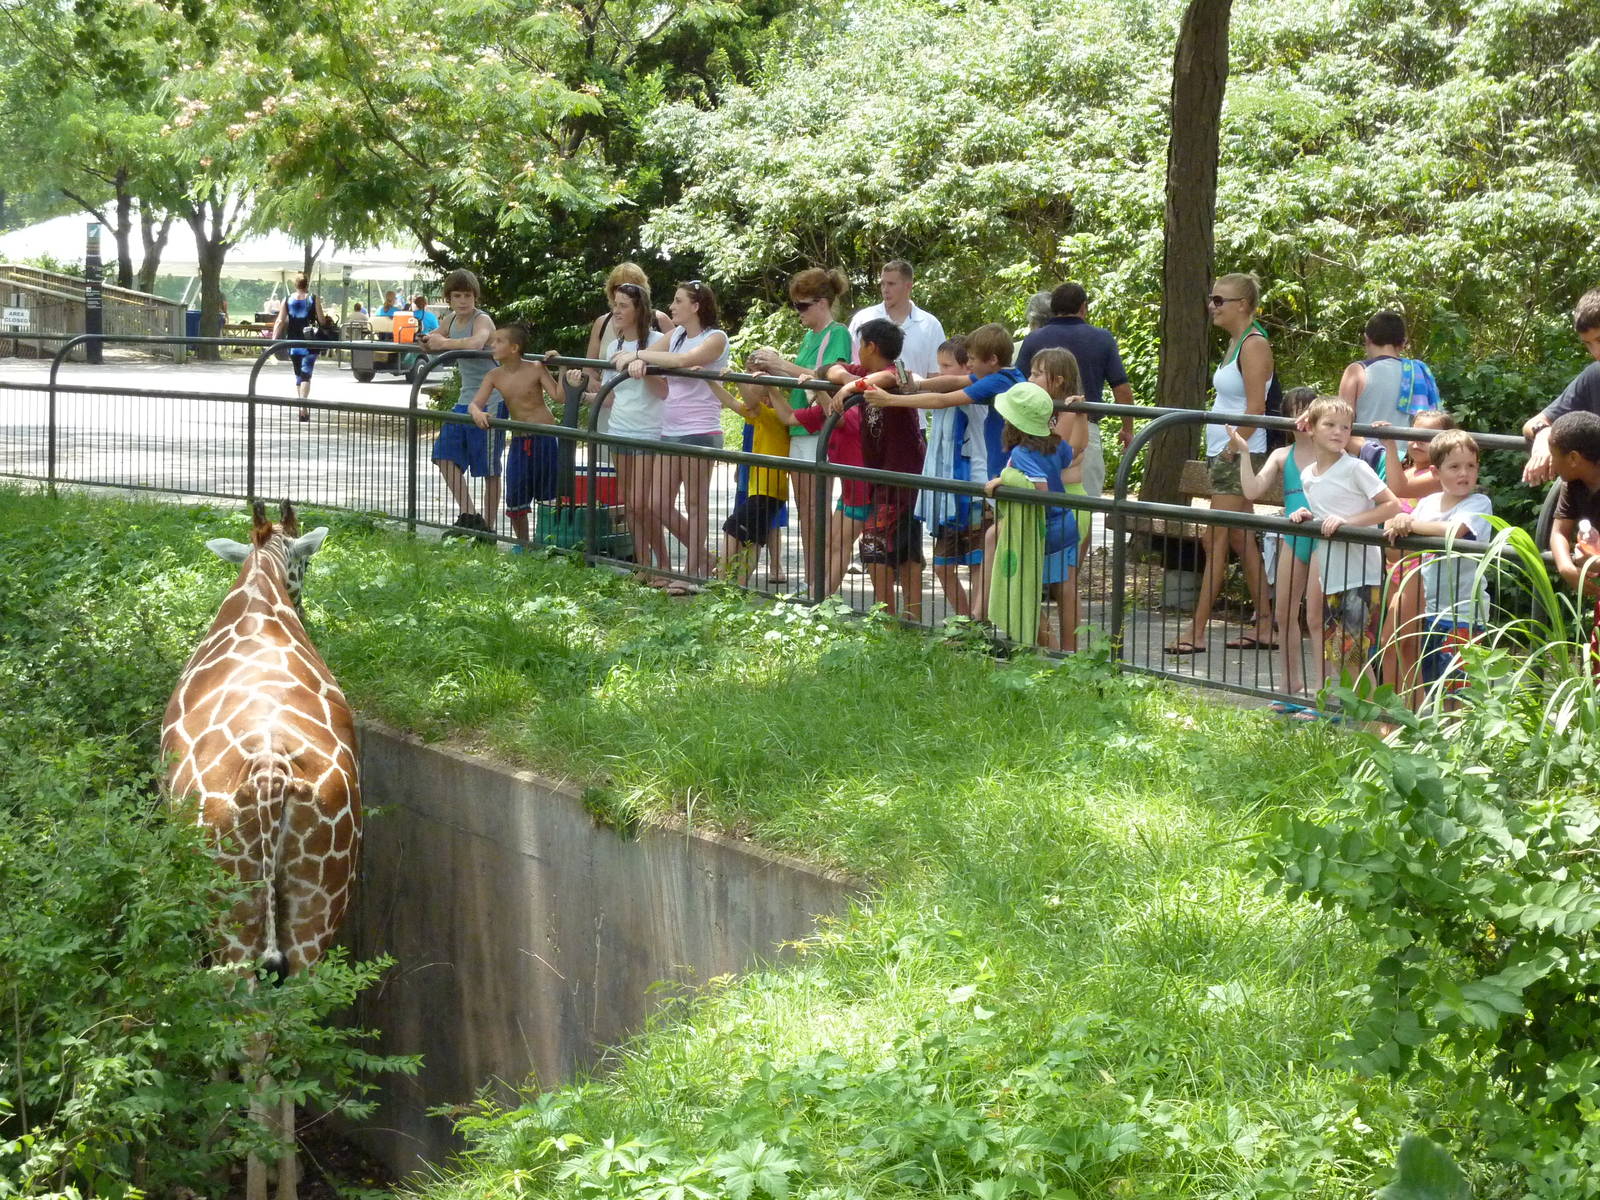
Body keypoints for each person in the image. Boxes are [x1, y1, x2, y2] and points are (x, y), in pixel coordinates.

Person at [1167, 272, 1278, 656]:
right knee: (1237, 536)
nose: (1212, 306)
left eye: (1219, 300)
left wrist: (1234, 449)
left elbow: (1257, 410)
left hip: (1238, 453)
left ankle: (1195, 631)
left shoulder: (1254, 344)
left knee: (1214, 538)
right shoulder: (1235, 343)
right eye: (1211, 299)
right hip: (1225, 451)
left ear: (1243, 305)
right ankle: (1266, 625)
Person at [772, 320, 904, 600]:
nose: (856, 353)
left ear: (872, 347)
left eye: (860, 346)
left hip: (866, 484)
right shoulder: (856, 381)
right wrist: (770, 387)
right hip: (850, 487)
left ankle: (820, 598)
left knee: (844, 543)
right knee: (832, 540)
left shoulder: (888, 378)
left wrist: (830, 390)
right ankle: (819, 594)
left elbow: (845, 419)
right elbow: (791, 414)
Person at [1284, 396, 1403, 706]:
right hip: (1332, 572)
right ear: (1310, 428)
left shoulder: (1356, 468)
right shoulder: (1309, 475)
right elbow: (1323, 510)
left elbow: (1391, 504)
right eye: (1330, 425)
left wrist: (1349, 522)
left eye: (1345, 427)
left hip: (1360, 572)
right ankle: (1357, 712)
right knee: (1340, 652)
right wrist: (1307, 516)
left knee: (1353, 651)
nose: (1338, 432)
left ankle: (1377, 720)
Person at [612, 280, 729, 593]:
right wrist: (640, 357)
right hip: (670, 430)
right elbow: (649, 352)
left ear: (696, 306)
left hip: (700, 430)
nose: (672, 307)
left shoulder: (715, 337)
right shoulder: (675, 335)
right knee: (657, 503)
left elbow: (681, 362)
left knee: (695, 502)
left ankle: (692, 574)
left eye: (678, 301)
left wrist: (641, 359)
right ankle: (705, 559)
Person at [745, 268, 855, 590]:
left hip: (819, 432)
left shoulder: (838, 334)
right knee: (806, 511)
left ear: (822, 303)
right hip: (798, 429)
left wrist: (780, 366)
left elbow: (829, 380)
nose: (798, 313)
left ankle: (820, 584)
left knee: (816, 511)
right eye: (796, 306)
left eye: (802, 306)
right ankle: (813, 581)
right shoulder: (809, 337)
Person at [1382, 429, 1493, 708]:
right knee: (1432, 684)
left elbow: (1456, 531)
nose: (1463, 473)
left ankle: (1459, 748)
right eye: (1454, 467)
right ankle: (1434, 743)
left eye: (1470, 466)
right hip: (1430, 612)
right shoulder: (1428, 504)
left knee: (1459, 691)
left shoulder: (1479, 503)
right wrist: (1395, 525)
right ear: (1436, 471)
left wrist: (1409, 523)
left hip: (1464, 614)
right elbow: (1396, 551)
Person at [1230, 387, 1320, 705]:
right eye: (1295, 411)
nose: (1301, 418)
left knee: (1317, 617)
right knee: (1283, 612)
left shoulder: (1332, 452)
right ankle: (1289, 683)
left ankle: (1322, 691)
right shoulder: (1282, 455)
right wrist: (1243, 452)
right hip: (1294, 537)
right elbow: (1252, 490)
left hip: (1323, 538)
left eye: (1307, 410)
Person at [1016, 282, 1138, 507]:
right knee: (1085, 502)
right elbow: (1121, 389)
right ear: (1083, 307)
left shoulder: (1033, 339)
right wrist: (1127, 428)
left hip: (1039, 428)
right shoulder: (1102, 338)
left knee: (1039, 500)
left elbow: (1019, 385)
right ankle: (1081, 541)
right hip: (1084, 427)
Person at [984, 382, 1082, 650]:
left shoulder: (1022, 453)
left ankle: (1049, 647)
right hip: (1066, 525)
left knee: (1023, 587)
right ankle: (1071, 654)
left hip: (1039, 530)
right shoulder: (1057, 444)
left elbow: (1039, 491)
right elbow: (1069, 457)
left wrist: (1005, 479)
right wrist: (1075, 415)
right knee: (1067, 590)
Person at [586, 281, 671, 584]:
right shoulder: (614, 346)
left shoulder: (659, 342)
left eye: (623, 305)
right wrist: (584, 394)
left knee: (642, 503)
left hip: (649, 430)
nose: (616, 310)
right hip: (619, 427)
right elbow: (611, 394)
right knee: (630, 504)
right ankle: (644, 564)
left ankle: (664, 565)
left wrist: (644, 365)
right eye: (615, 304)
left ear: (639, 309)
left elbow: (664, 391)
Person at [1371, 410, 1458, 697]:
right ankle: (1406, 710)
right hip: (1393, 569)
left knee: (1395, 641)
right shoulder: (1405, 469)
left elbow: (1398, 488)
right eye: (1413, 434)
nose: (1417, 442)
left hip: (1416, 571)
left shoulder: (1436, 475)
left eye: (1426, 437)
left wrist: (1390, 445)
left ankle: (1395, 714)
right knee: (1402, 646)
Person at [468, 323, 563, 550]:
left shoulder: (536, 368)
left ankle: (548, 543)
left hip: (545, 438)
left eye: (499, 341)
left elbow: (560, 397)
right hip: (520, 440)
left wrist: (563, 367)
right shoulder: (494, 375)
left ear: (514, 348)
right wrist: (477, 412)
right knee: (515, 494)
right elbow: (475, 403)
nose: (493, 345)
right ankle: (524, 544)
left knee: (549, 495)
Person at [425, 269, 501, 536]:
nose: (462, 301)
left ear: (475, 296)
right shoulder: (450, 319)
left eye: (467, 295)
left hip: (491, 401)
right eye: (457, 295)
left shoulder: (482, 320)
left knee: (489, 468)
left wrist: (442, 342)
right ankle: (469, 515)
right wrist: (426, 341)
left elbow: (476, 343)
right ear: (449, 298)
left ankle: (489, 529)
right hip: (465, 399)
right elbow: (432, 339)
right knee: (444, 455)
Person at [1337, 309, 1441, 467]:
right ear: (1403, 342)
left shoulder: (1356, 372)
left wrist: (1377, 458)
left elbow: (1340, 425)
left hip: (1364, 462)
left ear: (1367, 338)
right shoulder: (1417, 372)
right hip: (1408, 465)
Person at [1522, 289, 1600, 485]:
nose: (1596, 353)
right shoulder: (1594, 376)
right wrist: (1543, 434)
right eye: (1588, 344)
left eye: (1599, 340)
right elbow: (1535, 422)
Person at [717, 386, 790, 586]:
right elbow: (732, 402)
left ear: (766, 400)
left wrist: (735, 378)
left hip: (767, 492)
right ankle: (740, 585)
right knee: (754, 539)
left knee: (732, 528)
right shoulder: (759, 418)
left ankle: (722, 581)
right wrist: (710, 381)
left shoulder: (773, 417)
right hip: (762, 491)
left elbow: (751, 403)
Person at [848, 260, 947, 378]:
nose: (885, 289)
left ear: (908, 286)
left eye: (891, 284)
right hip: (866, 392)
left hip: (915, 395)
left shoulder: (930, 325)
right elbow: (851, 365)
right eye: (882, 284)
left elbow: (936, 374)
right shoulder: (863, 318)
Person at [1545, 410, 1600, 600]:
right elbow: (1559, 532)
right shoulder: (1573, 482)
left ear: (1573, 458)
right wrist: (1567, 568)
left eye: (1553, 455)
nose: (1551, 463)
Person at [270, 275, 326, 422]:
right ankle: (303, 407)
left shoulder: (287, 299)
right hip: (310, 343)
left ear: (295, 285)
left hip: (293, 343)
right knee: (307, 374)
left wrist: (273, 339)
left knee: (298, 375)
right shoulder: (314, 298)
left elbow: (280, 321)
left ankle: (302, 407)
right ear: (307, 284)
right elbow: (321, 320)